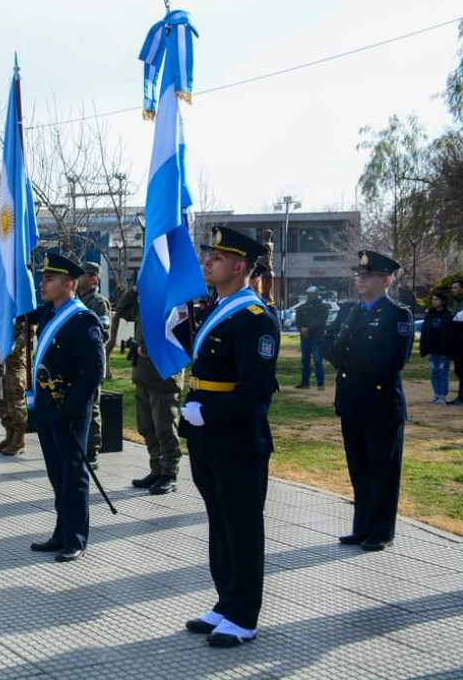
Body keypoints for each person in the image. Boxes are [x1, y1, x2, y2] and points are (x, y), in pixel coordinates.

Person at [179, 226, 278, 648]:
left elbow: (257, 390)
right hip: (207, 436)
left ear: (239, 266)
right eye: (208, 255)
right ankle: (225, 602)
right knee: (219, 522)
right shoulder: (215, 308)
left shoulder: (255, 319)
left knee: (241, 526)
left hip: (237, 439)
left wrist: (209, 412)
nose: (207, 261)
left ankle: (244, 614)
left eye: (216, 257)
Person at [326, 250, 413, 552]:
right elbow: (332, 349)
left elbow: (392, 360)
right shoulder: (351, 311)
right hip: (351, 402)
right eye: (358, 274)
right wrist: (347, 354)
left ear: (386, 279)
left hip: (380, 406)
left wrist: (349, 355)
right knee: (359, 469)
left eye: (367, 275)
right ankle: (361, 527)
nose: (360, 279)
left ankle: (381, 531)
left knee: (382, 472)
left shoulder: (397, 315)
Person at [23, 253, 105, 562]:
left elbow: (94, 371)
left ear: (69, 284)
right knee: (57, 473)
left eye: (49, 279)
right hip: (46, 407)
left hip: (69, 409)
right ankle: (60, 533)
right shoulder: (47, 313)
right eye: (43, 278)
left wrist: (70, 410)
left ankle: (76, 538)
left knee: (73, 474)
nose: (43, 284)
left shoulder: (84, 320)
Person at [118, 286, 184, 495]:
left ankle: (169, 473)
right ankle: (156, 469)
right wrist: (135, 290)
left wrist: (147, 349)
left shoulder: (175, 306)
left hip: (164, 377)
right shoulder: (145, 305)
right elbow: (122, 311)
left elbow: (180, 339)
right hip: (143, 375)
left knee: (165, 428)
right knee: (146, 427)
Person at [0, 277, 28, 456]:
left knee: (15, 397)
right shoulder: (1, 302)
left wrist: (9, 349)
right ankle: (9, 434)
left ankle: (20, 438)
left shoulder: (22, 306)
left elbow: (25, 335)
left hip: (14, 361)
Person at [77, 261, 111, 466]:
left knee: (92, 406)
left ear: (93, 278)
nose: (78, 278)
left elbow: (102, 333)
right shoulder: (78, 300)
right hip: (77, 363)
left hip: (91, 363)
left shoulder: (97, 302)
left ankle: (92, 450)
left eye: (83, 275)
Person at [420, 289, 453, 404]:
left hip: (444, 350)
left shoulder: (449, 315)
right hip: (432, 349)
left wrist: (450, 350)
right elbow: (425, 331)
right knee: (434, 372)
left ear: (443, 301)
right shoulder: (430, 314)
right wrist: (424, 348)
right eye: (433, 299)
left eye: (437, 299)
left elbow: (451, 334)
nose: (434, 302)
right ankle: (436, 394)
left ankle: (443, 395)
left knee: (443, 372)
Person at [295, 286, 330, 390]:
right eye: (309, 294)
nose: (310, 296)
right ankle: (305, 383)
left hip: (317, 337)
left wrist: (308, 329)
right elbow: (298, 320)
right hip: (305, 337)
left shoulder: (323, 307)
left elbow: (321, 321)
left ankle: (320, 383)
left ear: (317, 294)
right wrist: (301, 329)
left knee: (318, 360)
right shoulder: (302, 307)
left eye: (312, 294)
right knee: (305, 361)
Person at [450, 278, 463, 405]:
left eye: (455, 288)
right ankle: (460, 396)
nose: (453, 290)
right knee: (459, 370)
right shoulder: (455, 302)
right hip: (457, 341)